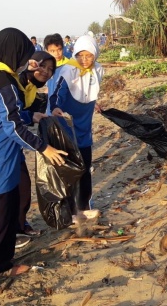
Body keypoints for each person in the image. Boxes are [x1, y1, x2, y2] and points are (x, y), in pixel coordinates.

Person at [0, 27, 67, 305]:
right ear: (13, 53)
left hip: (7, 158)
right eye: (23, 53)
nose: (26, 59)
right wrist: (45, 148)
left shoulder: (7, 78)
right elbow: (12, 125)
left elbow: (17, 112)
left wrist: (37, 114)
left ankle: (2, 263)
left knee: (8, 217)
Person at [49, 35, 104, 221]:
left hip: (85, 124)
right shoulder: (68, 70)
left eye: (89, 56)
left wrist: (94, 103)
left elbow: (92, 91)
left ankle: (85, 205)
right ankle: (71, 210)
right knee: (71, 168)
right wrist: (55, 107)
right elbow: (56, 94)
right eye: (80, 55)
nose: (84, 60)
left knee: (86, 166)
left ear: (95, 55)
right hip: (68, 123)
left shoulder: (98, 70)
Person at [11, 50, 57, 244]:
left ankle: (19, 226)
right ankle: (11, 231)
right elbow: (11, 116)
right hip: (2, 144)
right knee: (9, 190)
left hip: (14, 145)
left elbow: (30, 110)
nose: (46, 72)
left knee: (22, 187)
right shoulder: (16, 83)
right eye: (43, 66)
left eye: (50, 69)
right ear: (33, 63)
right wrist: (42, 146)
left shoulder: (30, 88)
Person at [44, 33, 71, 114]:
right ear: (46, 51)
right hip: (50, 107)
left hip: (65, 108)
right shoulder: (46, 66)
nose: (57, 54)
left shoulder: (69, 66)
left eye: (59, 49)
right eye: (52, 51)